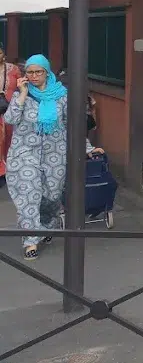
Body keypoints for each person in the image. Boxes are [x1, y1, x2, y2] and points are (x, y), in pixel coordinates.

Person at [4, 55, 73, 260]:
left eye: (38, 72)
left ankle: (48, 225)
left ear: (47, 72)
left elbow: (72, 126)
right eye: (30, 72)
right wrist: (22, 94)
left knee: (51, 195)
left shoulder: (62, 96)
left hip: (55, 154)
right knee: (29, 194)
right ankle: (30, 240)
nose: (34, 76)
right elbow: (10, 119)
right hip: (25, 154)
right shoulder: (22, 94)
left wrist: (87, 148)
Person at [0, 46, 19, 183]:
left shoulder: (13, 69)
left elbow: (22, 87)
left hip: (9, 109)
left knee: (9, 138)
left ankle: (9, 168)